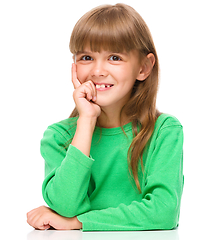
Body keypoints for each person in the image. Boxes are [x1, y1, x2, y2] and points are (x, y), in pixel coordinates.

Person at [27, 3, 184, 231]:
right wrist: (87, 121)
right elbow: (64, 206)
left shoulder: (164, 131)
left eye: (114, 57)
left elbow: (164, 212)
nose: (98, 70)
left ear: (144, 67)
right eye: (87, 57)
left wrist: (80, 222)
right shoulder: (59, 136)